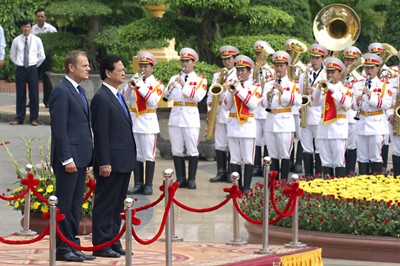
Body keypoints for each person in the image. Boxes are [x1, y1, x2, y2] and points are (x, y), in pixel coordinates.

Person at [49, 50, 95, 262]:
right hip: (69, 160)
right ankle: (62, 247)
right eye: (84, 65)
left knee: (76, 205)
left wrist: (88, 159)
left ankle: (72, 244)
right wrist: (66, 158)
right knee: (65, 205)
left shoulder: (79, 91)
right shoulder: (61, 91)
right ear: (71, 67)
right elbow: (60, 130)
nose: (88, 69)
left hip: (81, 158)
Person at [91, 55, 136, 258]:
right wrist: (104, 161)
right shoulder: (102, 97)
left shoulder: (117, 95)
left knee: (117, 204)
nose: (123, 72)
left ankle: (113, 240)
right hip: (111, 162)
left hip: (123, 160)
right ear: (108, 73)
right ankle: (101, 243)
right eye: (120, 69)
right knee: (105, 203)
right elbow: (101, 133)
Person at [163, 48, 207, 189]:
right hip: (176, 116)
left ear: (193, 62)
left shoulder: (200, 79)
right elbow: (166, 97)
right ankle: (181, 178)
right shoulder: (173, 78)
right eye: (182, 61)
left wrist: (183, 84)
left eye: (187, 61)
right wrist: (169, 88)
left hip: (190, 117)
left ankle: (192, 179)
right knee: (176, 149)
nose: (184, 63)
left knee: (192, 149)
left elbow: (198, 97)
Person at [124, 52, 163, 195]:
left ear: (152, 67)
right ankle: (138, 184)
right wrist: (129, 86)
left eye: (146, 66)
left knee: (148, 155)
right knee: (137, 154)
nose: (143, 69)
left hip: (148, 122)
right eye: (141, 66)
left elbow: (152, 101)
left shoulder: (157, 84)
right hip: (135, 121)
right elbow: (124, 96)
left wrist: (140, 85)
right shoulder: (136, 80)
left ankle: (148, 185)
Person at [221, 55, 261, 194]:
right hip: (233, 125)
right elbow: (225, 107)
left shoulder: (255, 87)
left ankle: (247, 188)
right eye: (238, 70)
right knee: (234, 159)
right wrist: (230, 92)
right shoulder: (233, 85)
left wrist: (239, 90)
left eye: (243, 70)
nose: (239, 73)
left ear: (249, 72)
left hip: (247, 126)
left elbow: (252, 104)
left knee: (248, 159)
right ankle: (236, 188)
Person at [261, 51, 301, 181]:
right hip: (271, 121)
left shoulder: (292, 85)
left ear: (286, 67)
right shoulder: (268, 84)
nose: (278, 68)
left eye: (281, 65)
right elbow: (261, 103)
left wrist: (283, 91)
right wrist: (267, 98)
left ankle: (283, 183)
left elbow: (298, 101)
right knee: (272, 154)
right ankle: (273, 184)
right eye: (276, 65)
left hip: (285, 123)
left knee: (284, 155)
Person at [310, 57, 352, 177]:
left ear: (340, 74)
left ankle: (339, 191)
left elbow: (347, 104)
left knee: (339, 161)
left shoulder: (345, 89)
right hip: (324, 128)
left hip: (338, 130)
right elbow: (314, 103)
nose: (330, 75)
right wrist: (318, 89)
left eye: (333, 72)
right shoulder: (324, 89)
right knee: (325, 161)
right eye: (328, 71)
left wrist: (332, 89)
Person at [352, 53, 392, 175]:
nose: (369, 70)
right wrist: (357, 103)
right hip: (361, 123)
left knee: (375, 156)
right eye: (367, 67)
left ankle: (376, 185)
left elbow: (386, 104)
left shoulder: (384, 86)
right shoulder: (357, 85)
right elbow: (353, 106)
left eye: (372, 67)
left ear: (378, 68)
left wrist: (371, 95)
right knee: (362, 157)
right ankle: (363, 183)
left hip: (376, 125)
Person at [208, 45, 239, 183]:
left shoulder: (238, 74)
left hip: (231, 112)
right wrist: (210, 110)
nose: (226, 61)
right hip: (219, 112)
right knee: (219, 143)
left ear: (234, 59)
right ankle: (221, 171)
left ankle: (231, 173)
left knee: (231, 143)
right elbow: (211, 94)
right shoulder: (217, 75)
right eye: (224, 59)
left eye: (229, 58)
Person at [298, 43, 328, 178]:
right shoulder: (304, 75)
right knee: (306, 147)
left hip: (319, 114)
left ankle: (318, 175)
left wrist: (314, 91)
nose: (314, 60)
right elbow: (300, 94)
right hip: (306, 114)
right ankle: (308, 175)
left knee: (319, 146)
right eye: (313, 57)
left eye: (317, 58)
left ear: (323, 59)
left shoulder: (327, 75)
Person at [9, 19, 45, 126]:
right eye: (24, 27)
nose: (26, 29)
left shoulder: (37, 40)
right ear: (21, 28)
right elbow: (12, 55)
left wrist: (34, 65)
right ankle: (19, 118)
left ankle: (34, 118)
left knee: (34, 93)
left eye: (28, 27)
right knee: (20, 93)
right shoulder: (16, 40)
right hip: (20, 69)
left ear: (31, 28)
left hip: (32, 68)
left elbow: (41, 56)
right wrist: (19, 63)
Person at [252, 40, 275, 177]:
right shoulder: (251, 69)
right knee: (256, 139)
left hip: (266, 109)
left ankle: (267, 165)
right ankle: (256, 166)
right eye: (257, 54)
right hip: (255, 109)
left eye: (261, 54)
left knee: (268, 139)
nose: (258, 56)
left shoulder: (271, 70)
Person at [342, 46, 364, 176]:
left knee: (351, 144)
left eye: (352, 60)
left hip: (351, 115)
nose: (349, 62)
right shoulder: (339, 75)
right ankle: (342, 168)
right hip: (340, 114)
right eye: (347, 60)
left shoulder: (360, 78)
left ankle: (350, 170)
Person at [285, 38, 305, 174]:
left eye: (292, 51)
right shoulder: (282, 67)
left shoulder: (303, 69)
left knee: (301, 135)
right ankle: (290, 161)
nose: (290, 54)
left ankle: (299, 162)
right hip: (285, 108)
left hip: (298, 107)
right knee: (289, 136)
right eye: (288, 51)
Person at [32, 8, 57, 108]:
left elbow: (56, 42)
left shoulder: (51, 29)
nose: (40, 18)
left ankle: (47, 101)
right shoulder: (32, 29)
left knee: (47, 80)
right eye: (38, 16)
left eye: (42, 16)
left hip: (46, 57)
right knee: (33, 80)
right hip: (34, 57)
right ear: (35, 17)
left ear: (45, 17)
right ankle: (33, 101)